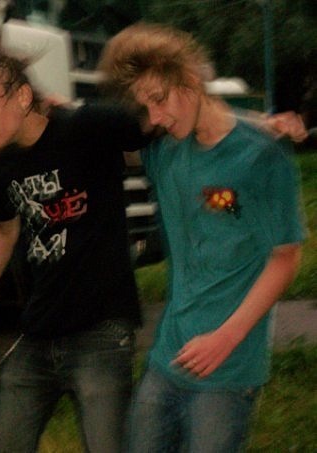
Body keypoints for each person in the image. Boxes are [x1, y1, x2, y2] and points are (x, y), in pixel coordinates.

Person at [0, 7, 158, 452]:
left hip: (102, 332)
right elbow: (0, 231)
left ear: (23, 97)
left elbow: (158, 120)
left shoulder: (86, 129)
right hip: (38, 333)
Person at [98, 23, 306, 452]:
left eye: (159, 99)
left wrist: (226, 338)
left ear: (190, 80)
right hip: (168, 359)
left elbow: (285, 258)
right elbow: (96, 137)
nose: (155, 117)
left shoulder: (262, 155)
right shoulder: (166, 150)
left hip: (227, 370)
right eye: (145, 106)